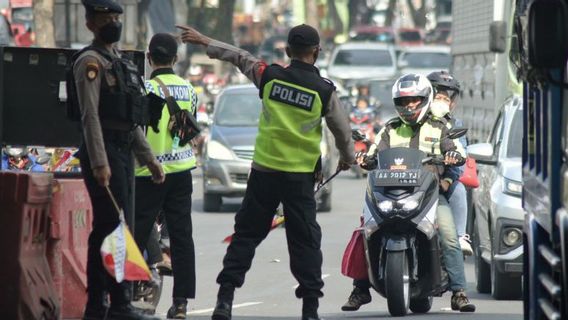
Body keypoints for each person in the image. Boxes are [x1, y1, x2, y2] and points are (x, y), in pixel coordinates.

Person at [178, 23, 355, 320]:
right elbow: (343, 132)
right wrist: (347, 158)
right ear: (317, 52)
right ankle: (310, 309)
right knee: (305, 242)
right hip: (299, 179)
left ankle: (225, 299)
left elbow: (239, 56)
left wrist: (205, 40)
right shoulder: (324, 91)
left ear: (287, 51)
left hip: (264, 173)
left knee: (246, 236)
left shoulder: (269, 76)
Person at [342, 73, 476, 313]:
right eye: (404, 102)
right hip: (388, 194)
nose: (410, 106)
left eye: (415, 100)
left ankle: (459, 292)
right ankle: (360, 289)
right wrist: (365, 158)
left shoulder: (440, 127)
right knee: (366, 232)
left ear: (425, 99)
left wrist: (453, 156)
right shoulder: (390, 128)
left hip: (429, 196)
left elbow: (455, 149)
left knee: (448, 235)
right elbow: (374, 153)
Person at [71, 1, 164, 319]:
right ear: (89, 24)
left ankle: (103, 305)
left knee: (110, 227)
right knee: (109, 228)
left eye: (115, 17)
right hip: (104, 152)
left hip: (123, 151)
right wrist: (99, 162)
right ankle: (110, 304)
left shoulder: (121, 63)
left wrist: (149, 159)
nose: (112, 22)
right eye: (104, 18)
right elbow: (90, 117)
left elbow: (130, 120)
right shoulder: (90, 62)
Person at [133, 32, 198, 319]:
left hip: (149, 173)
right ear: (175, 59)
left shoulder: (144, 88)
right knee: (182, 237)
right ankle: (181, 302)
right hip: (182, 171)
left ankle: (126, 295)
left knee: (134, 235)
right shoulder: (189, 89)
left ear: (149, 57)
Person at [427, 70, 473, 256]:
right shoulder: (415, 120)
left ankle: (461, 236)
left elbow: (460, 158)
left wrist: (447, 180)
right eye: (438, 96)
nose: (442, 102)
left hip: (443, 182)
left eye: (447, 99)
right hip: (414, 180)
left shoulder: (455, 125)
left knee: (459, 189)